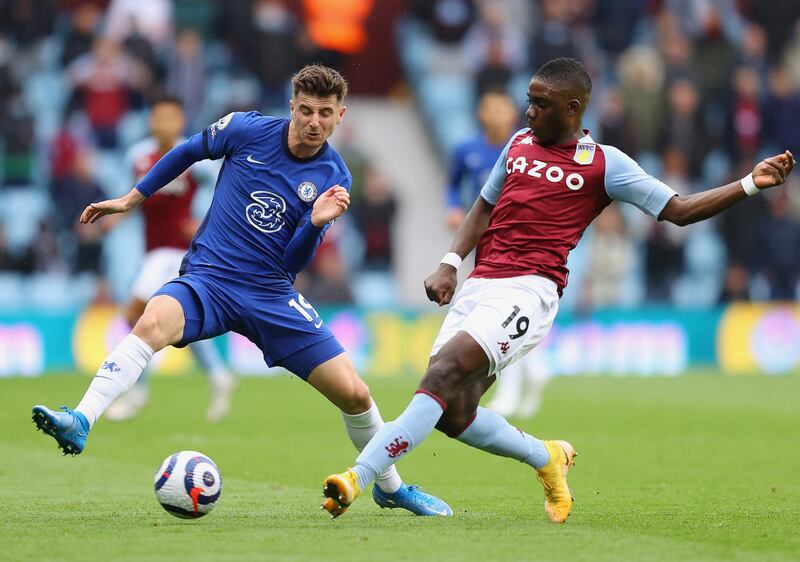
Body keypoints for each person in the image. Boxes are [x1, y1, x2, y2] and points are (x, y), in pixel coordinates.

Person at [322, 57, 795, 522]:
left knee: (441, 376)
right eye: (528, 101)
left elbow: (680, 209)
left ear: (572, 108)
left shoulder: (606, 164)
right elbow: (483, 208)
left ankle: (359, 478)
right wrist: (450, 263)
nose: (528, 112)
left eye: (540, 104)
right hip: (480, 284)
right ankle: (547, 457)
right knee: (453, 413)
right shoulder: (518, 144)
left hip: (529, 292)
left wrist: (750, 183)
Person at [31, 65, 451, 517]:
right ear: (291, 107)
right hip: (210, 277)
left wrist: (313, 224)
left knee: (355, 394)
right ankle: (81, 419)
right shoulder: (245, 128)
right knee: (151, 321)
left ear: (340, 116)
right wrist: (133, 198)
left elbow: (291, 266)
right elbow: (188, 151)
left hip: (270, 293)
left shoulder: (335, 177)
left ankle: (390, 487)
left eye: (324, 114)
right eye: (306, 110)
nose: (314, 122)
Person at [104, 96, 235, 423]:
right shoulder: (138, 156)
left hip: (179, 250)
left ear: (180, 121)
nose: (165, 124)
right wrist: (114, 217)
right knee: (175, 324)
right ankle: (219, 375)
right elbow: (131, 193)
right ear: (151, 120)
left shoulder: (193, 156)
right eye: (159, 117)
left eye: (171, 118)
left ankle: (138, 391)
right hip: (151, 249)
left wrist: (205, 221)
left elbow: (227, 186)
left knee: (137, 310)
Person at [444, 89, 518, 231]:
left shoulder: (527, 146)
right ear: (481, 114)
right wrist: (454, 207)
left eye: (502, 109)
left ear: (513, 113)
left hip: (517, 226)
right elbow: (453, 184)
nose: (497, 116)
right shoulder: (466, 148)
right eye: (491, 110)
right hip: (482, 225)